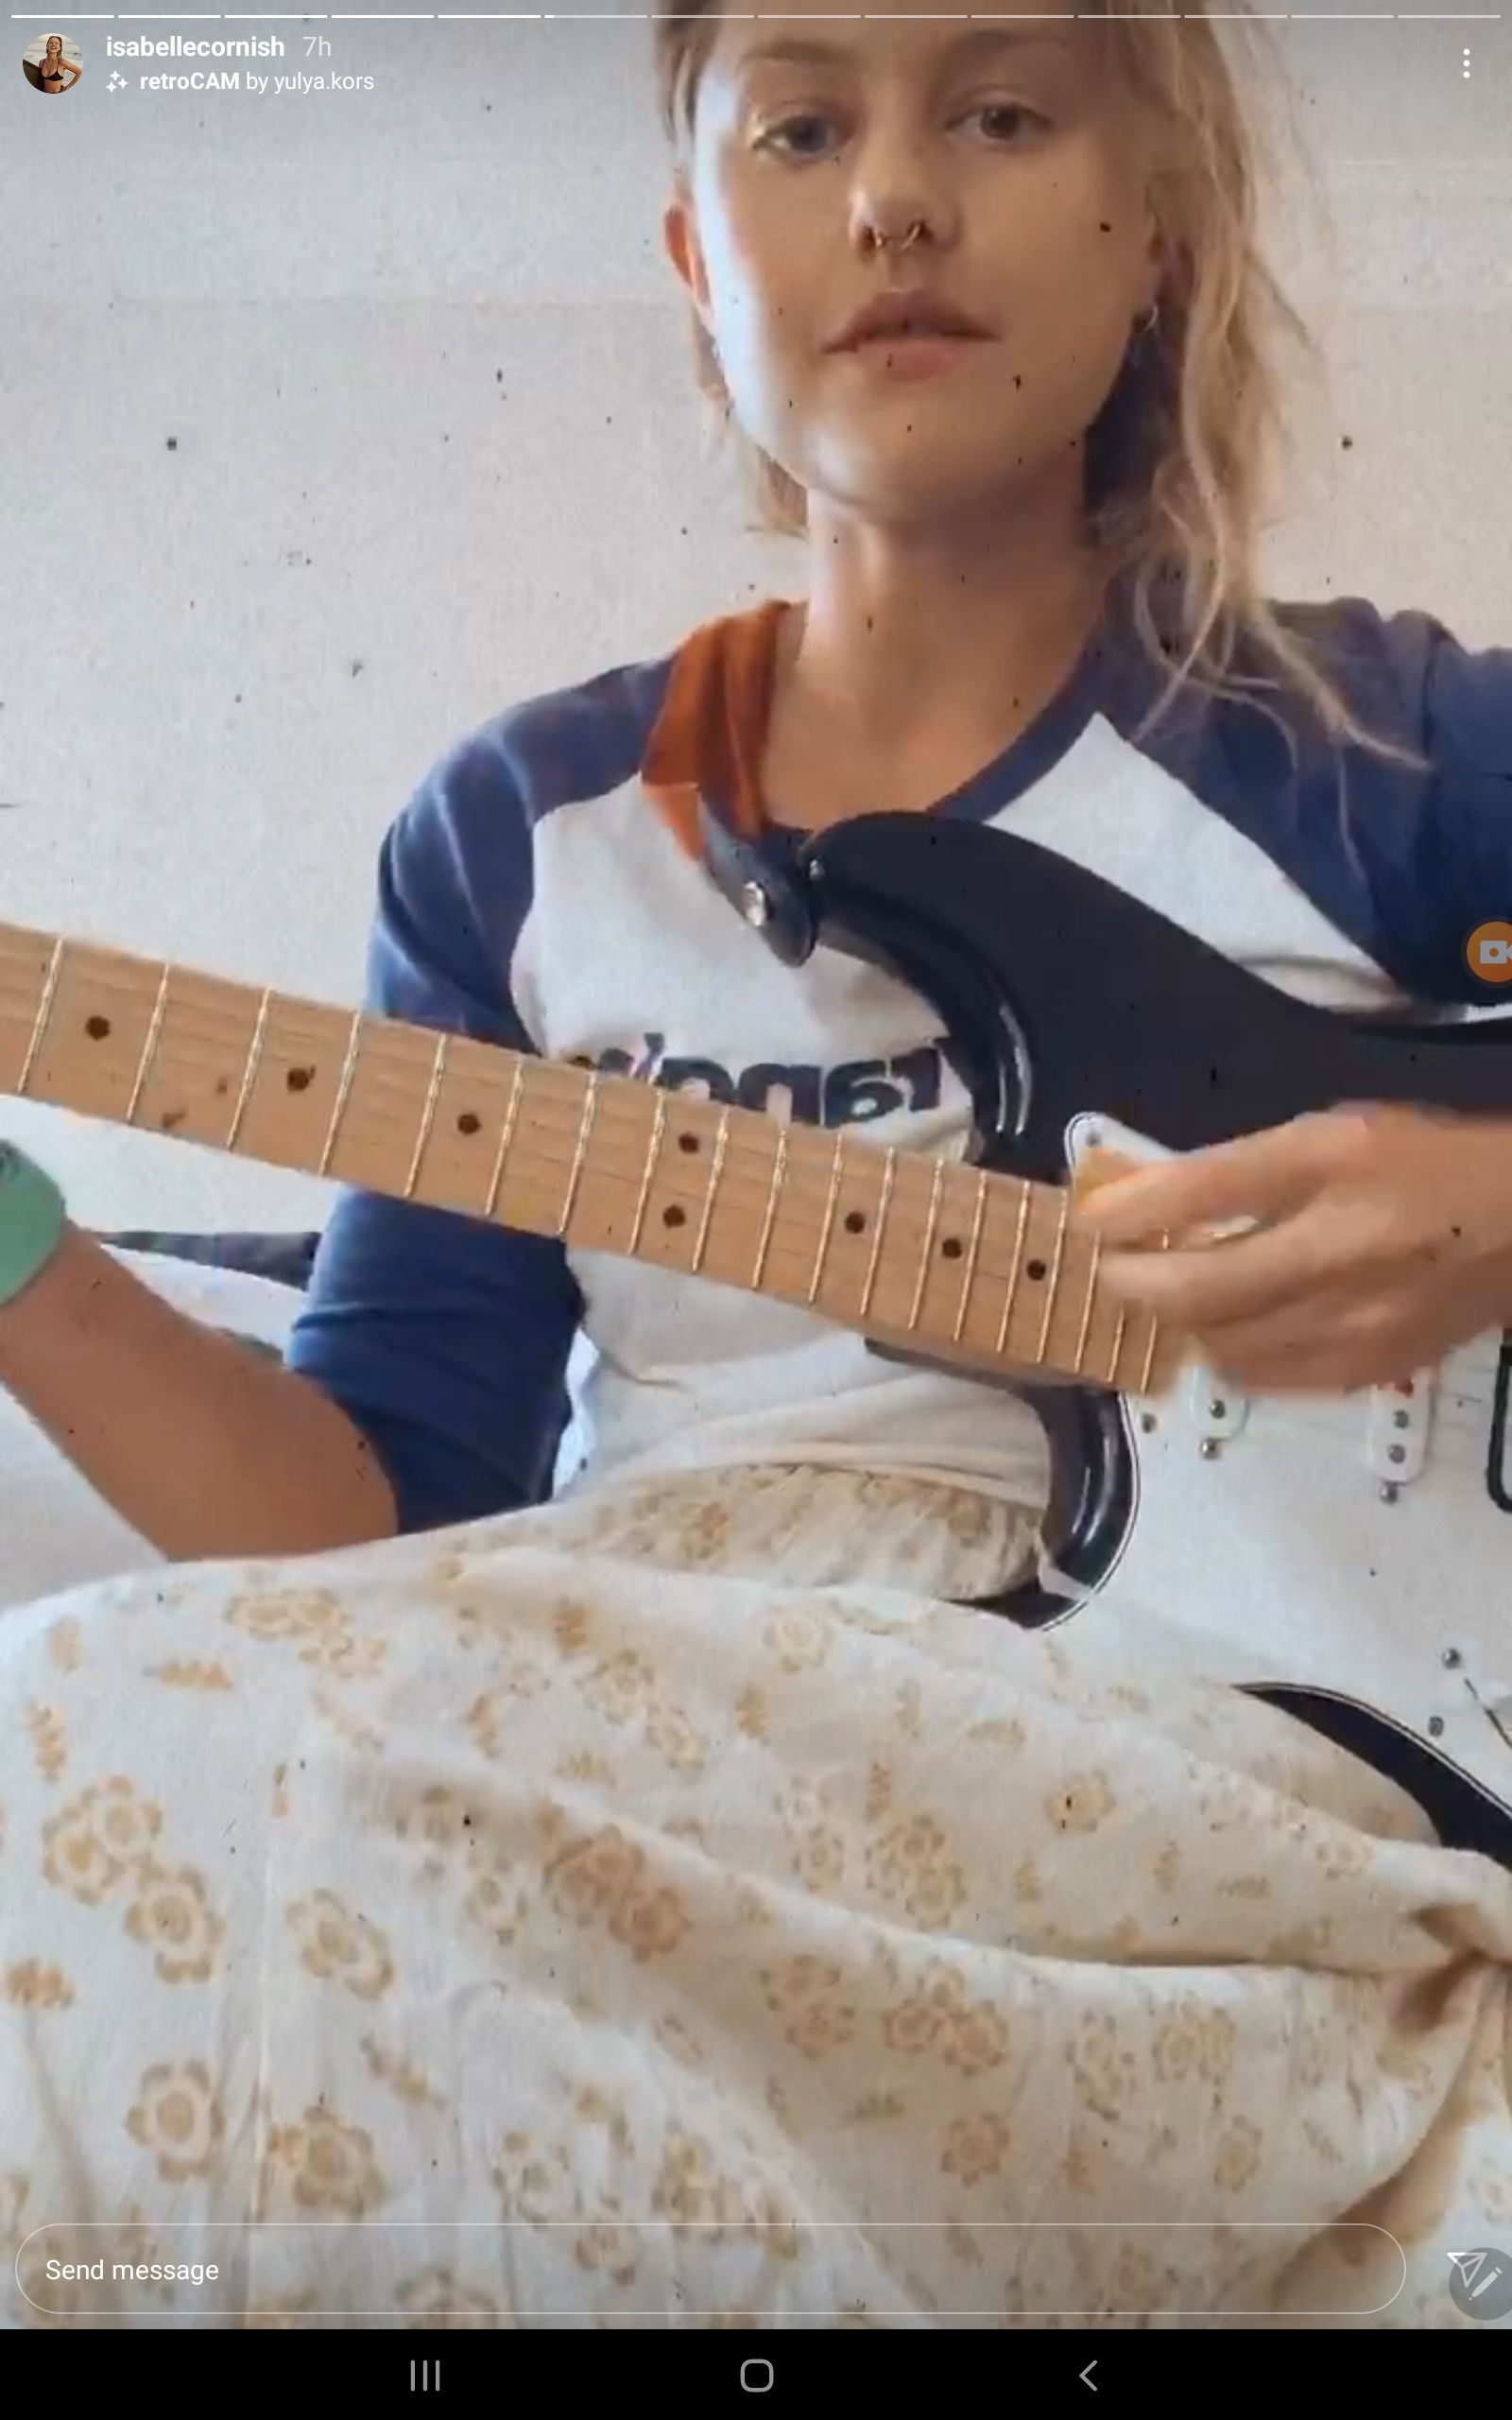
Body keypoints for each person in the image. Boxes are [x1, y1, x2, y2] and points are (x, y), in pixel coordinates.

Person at [2, 0, 1510, 2331]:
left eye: (997, 112)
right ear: (697, 253)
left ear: (1156, 230)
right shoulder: (523, 836)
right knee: (82, 1732)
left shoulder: (1378, 751)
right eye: (798, 128)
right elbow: (370, 1525)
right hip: (618, 1701)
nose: (892, 198)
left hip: (1223, 1764)